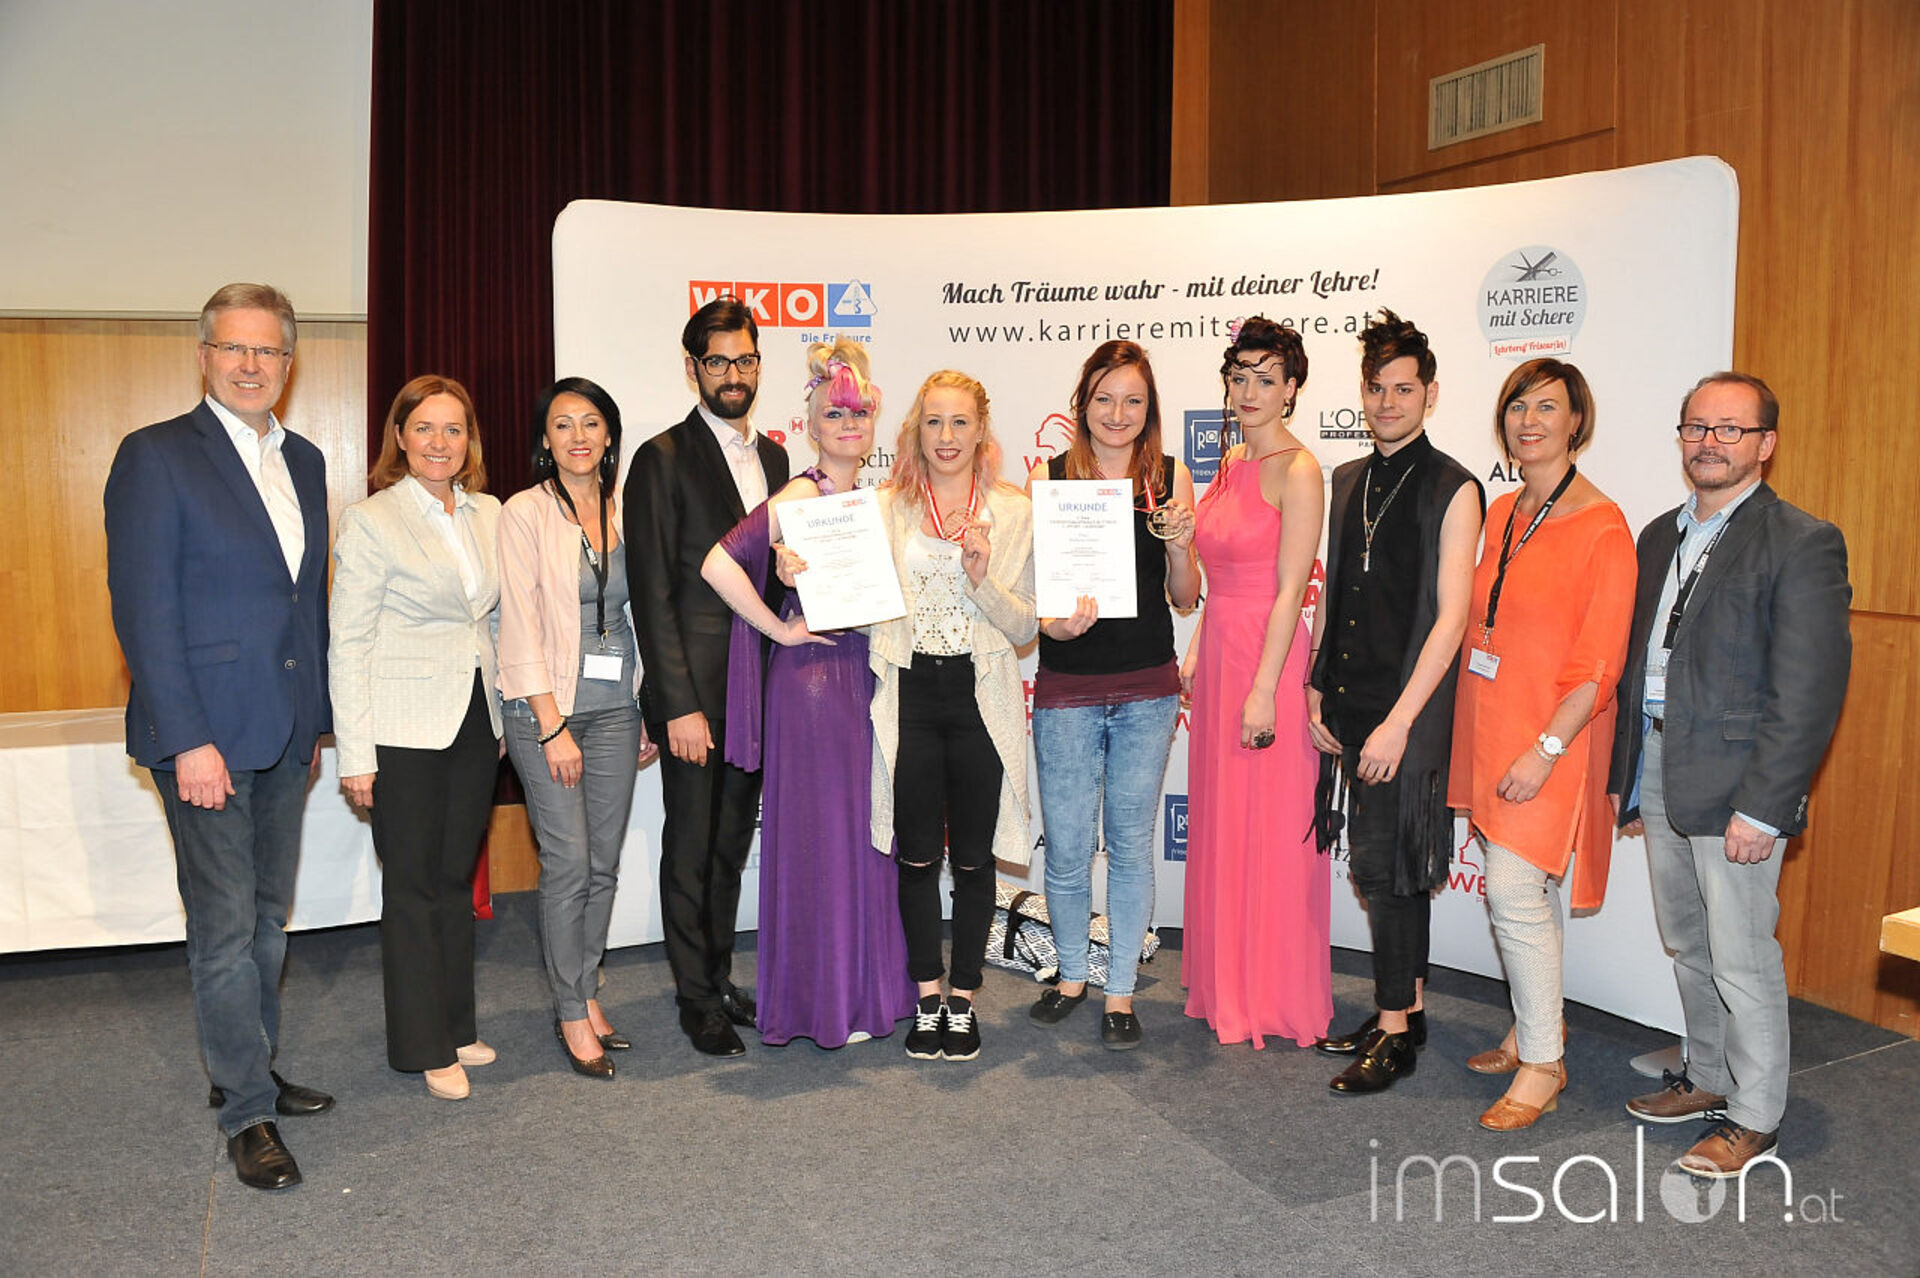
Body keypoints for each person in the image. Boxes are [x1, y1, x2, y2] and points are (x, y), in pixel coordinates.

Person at [104, 283, 333, 1190]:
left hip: (284, 731)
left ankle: (251, 1066)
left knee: (268, 919)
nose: (250, 365)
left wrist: (316, 722)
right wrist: (188, 739)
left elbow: (303, 606)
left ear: (288, 363)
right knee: (225, 929)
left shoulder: (305, 459)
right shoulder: (156, 455)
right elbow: (144, 611)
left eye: (267, 350)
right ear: (203, 357)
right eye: (234, 348)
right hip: (206, 738)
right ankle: (245, 1112)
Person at [1608, 373, 1850, 1178]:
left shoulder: (1801, 540)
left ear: (1765, 444)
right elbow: (1639, 664)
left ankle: (1755, 1115)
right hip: (1661, 763)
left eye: (1730, 429)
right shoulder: (1658, 535)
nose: (1709, 442)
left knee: (1742, 953)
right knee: (1688, 940)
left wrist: (1766, 807)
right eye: (1696, 427)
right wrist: (1630, 779)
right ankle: (1708, 1075)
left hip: (1741, 784)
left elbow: (1808, 690)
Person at [699, 340, 915, 1047]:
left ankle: (861, 993)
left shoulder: (877, 499)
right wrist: (778, 625)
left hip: (865, 675)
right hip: (815, 683)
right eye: (834, 414)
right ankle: (824, 1003)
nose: (848, 424)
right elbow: (718, 563)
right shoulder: (801, 494)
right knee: (824, 840)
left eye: (858, 413)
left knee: (866, 834)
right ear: (812, 425)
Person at [1448, 358, 1635, 1131]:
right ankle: (1532, 1027)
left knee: (1513, 891)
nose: (1530, 421)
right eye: (1518, 406)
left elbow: (1599, 668)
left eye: (1547, 407)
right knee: (1527, 893)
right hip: (1492, 726)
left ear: (1576, 422)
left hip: (1552, 739)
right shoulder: (1502, 510)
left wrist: (1546, 750)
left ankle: (1543, 1064)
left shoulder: (1604, 527)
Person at [1307, 310, 1484, 1092]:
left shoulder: (1455, 486)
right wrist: (1315, 682)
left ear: (1430, 395)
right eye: (1377, 388)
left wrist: (1399, 723)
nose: (1387, 403)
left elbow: (1451, 618)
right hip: (1351, 700)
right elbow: (1334, 590)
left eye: (1403, 389)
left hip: (1407, 716)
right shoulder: (1347, 479)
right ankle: (1401, 1015)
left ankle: (1395, 1033)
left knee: (1390, 870)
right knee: (1382, 869)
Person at [329, 375, 502, 1101]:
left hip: (475, 721)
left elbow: (491, 619)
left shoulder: (489, 512)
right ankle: (422, 1045)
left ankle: (456, 1025)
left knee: (454, 882)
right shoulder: (371, 520)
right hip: (400, 732)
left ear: (470, 441)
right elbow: (348, 642)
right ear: (399, 437)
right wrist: (356, 754)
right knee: (411, 887)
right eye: (424, 428)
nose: (439, 442)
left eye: (453, 429)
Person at [625, 298, 790, 1058]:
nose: (733, 375)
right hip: (697, 694)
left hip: (762, 687)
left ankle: (719, 979)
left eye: (744, 360)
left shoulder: (779, 461)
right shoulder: (660, 458)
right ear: (692, 368)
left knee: (729, 844)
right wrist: (677, 706)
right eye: (717, 361)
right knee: (691, 846)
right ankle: (695, 999)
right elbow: (652, 592)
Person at [1024, 341, 1200, 1050]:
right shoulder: (1048, 478)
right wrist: (1052, 625)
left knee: (1129, 847)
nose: (1118, 414)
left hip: (1147, 691)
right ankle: (1072, 976)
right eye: (1104, 399)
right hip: (1067, 687)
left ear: (1149, 408)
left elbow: (1184, 597)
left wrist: (1182, 543)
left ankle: (1120, 990)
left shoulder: (1171, 476)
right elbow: (1031, 594)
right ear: (1083, 404)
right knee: (1067, 849)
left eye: (1133, 400)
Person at [868, 370, 1035, 1062]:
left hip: (978, 696)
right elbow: (860, 601)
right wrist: (803, 575)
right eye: (933, 421)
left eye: (960, 421)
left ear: (981, 429)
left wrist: (980, 576)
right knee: (915, 856)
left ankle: (962, 999)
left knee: (972, 859)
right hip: (910, 694)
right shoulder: (887, 506)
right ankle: (926, 994)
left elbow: (1025, 626)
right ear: (916, 429)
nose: (946, 436)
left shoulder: (1014, 511)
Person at [498, 378, 657, 1080]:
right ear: (545, 440)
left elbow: (636, 616)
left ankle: (587, 989)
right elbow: (517, 622)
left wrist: (647, 703)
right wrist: (550, 725)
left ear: (609, 434)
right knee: (567, 864)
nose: (578, 437)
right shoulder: (525, 513)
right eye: (562, 425)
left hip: (618, 708)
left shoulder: (626, 509)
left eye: (590, 423)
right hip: (547, 710)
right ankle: (568, 1009)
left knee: (602, 864)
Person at [1180, 316, 1328, 1050]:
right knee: (1223, 825)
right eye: (1239, 377)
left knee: (1267, 830)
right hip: (1220, 657)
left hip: (1267, 659)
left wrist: (1266, 688)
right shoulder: (1232, 458)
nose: (1249, 391)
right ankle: (1225, 984)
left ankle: (1270, 995)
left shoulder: (1300, 470)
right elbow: (1216, 579)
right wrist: (1197, 650)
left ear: (1291, 388)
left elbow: (1291, 588)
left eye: (1266, 379)